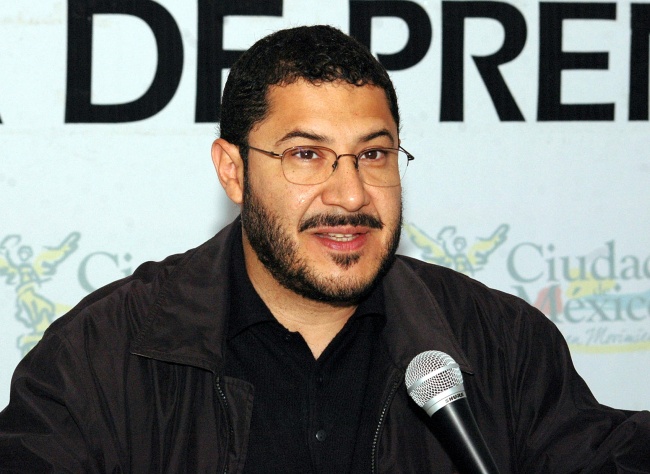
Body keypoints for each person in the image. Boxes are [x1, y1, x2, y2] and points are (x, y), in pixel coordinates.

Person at [0, 25, 648, 473]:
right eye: (307, 154)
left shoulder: (503, 346)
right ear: (233, 171)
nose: (351, 194)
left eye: (375, 154)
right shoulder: (101, 356)